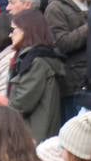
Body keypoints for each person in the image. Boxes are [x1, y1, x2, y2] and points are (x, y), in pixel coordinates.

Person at [6, 10, 66, 140]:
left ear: (26, 30)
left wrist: (0, 103)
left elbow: (21, 104)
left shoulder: (37, 62)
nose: (10, 34)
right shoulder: (30, 58)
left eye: (13, 29)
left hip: (34, 139)